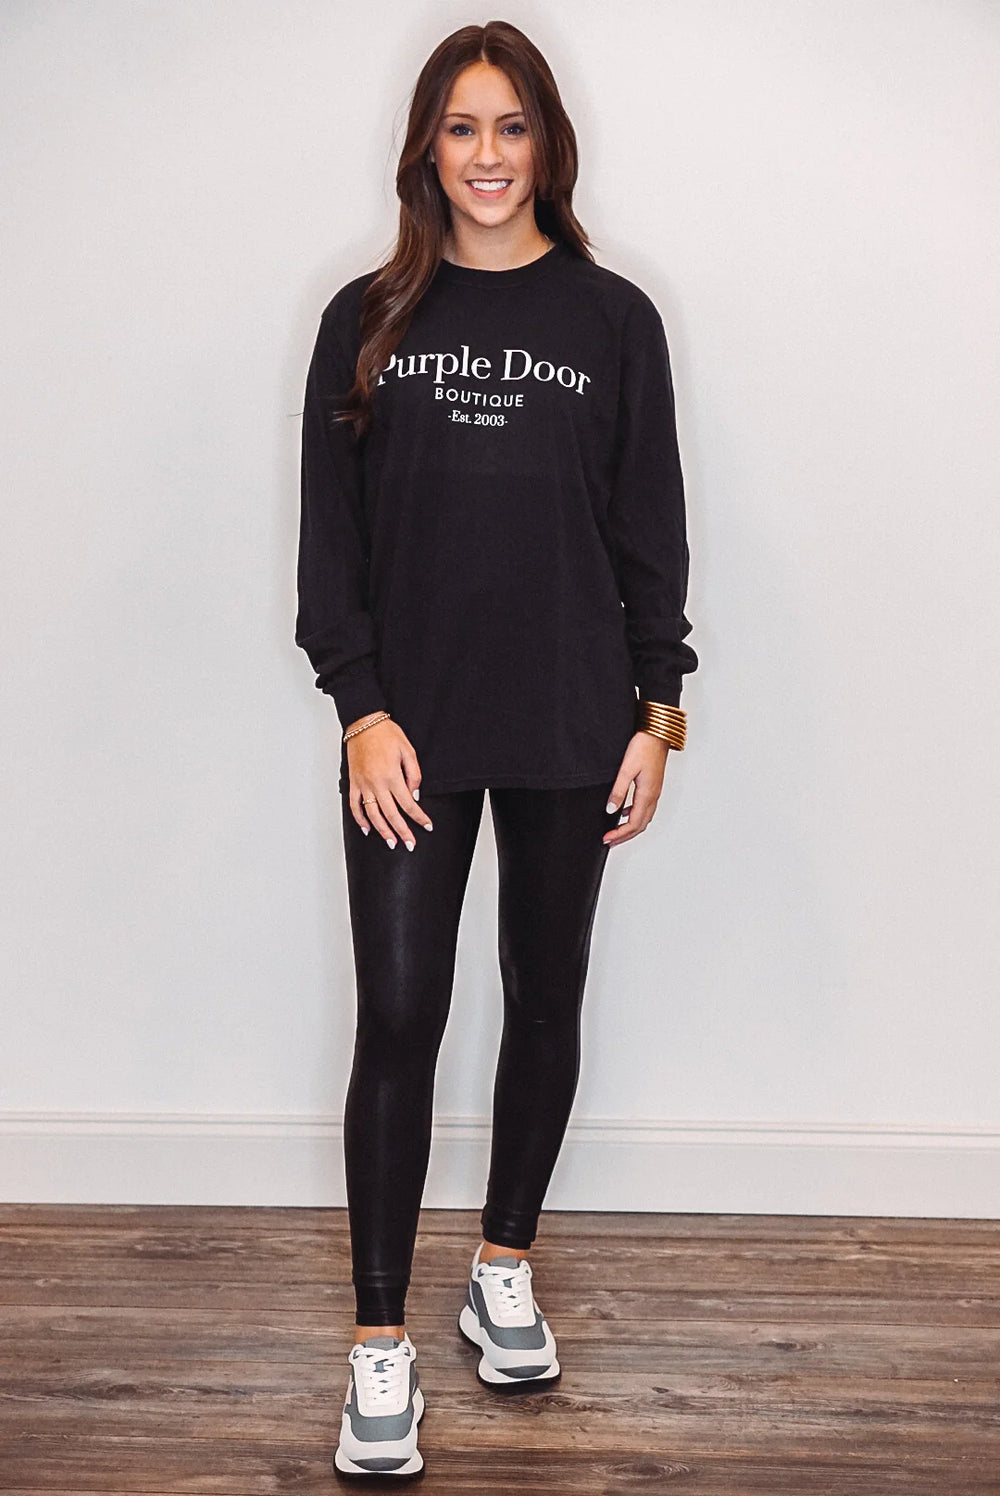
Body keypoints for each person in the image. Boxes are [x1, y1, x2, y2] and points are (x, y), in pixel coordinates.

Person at [295, 19, 697, 1480]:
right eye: (461, 128)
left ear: (547, 146)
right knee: (400, 1018)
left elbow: (649, 529)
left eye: (511, 126)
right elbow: (330, 544)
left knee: (545, 997)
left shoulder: (613, 321)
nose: (486, 155)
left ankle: (503, 1267)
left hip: (573, 722)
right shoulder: (366, 318)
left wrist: (658, 713)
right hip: (409, 729)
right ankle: (378, 1346)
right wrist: (361, 708)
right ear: (427, 148)